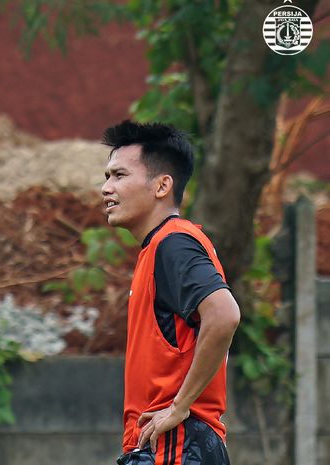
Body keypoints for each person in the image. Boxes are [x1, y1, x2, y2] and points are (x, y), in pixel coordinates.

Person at [100, 120, 240, 465]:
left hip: (176, 445)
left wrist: (179, 407)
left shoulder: (173, 243)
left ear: (162, 185)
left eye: (119, 176)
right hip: (171, 443)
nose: (105, 188)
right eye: (106, 177)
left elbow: (224, 315)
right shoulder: (160, 247)